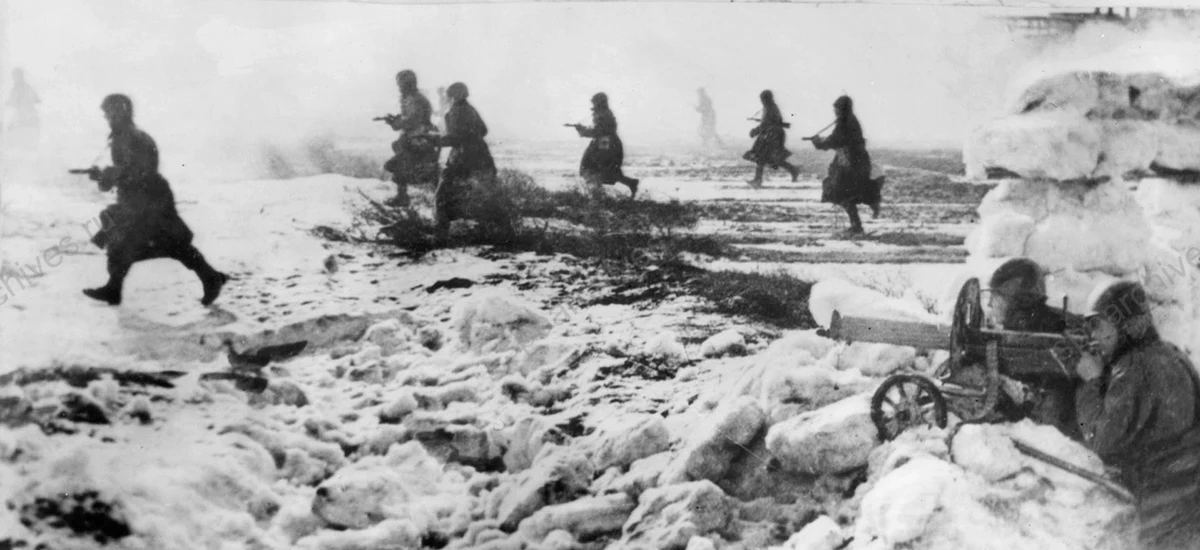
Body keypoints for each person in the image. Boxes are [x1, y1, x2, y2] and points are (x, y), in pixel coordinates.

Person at [1075, 281, 1200, 550]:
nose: (1092, 338)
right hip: (1189, 497)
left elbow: (1100, 440)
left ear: (1127, 327)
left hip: (1162, 508)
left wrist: (1090, 384)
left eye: (1098, 326)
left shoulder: (1132, 368)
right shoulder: (1172, 354)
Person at [80, 94, 228, 306]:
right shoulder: (122, 137)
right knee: (129, 244)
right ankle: (114, 288)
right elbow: (121, 177)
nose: (107, 118)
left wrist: (111, 174)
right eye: (106, 114)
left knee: (169, 244)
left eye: (110, 113)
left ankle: (211, 277)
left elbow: (143, 172)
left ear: (121, 112)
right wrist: (103, 177)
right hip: (136, 200)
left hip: (149, 200)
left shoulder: (135, 137)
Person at [986, 258, 1083, 438]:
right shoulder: (1045, 322)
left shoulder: (1030, 335)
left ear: (1014, 300)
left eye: (995, 296)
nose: (989, 304)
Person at [811, 95, 882, 235]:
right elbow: (837, 140)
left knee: (841, 193)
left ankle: (857, 226)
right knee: (850, 192)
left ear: (842, 109)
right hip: (854, 163)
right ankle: (869, 209)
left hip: (850, 165)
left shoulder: (844, 123)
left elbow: (834, 141)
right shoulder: (849, 120)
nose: (835, 112)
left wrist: (818, 143)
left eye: (836, 109)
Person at [435, 82, 496, 241]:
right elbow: (483, 130)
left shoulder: (455, 112)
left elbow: (455, 138)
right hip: (482, 158)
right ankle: (492, 234)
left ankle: (440, 236)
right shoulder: (471, 110)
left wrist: (436, 141)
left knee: (442, 197)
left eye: (448, 96)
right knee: (484, 197)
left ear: (453, 96)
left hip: (462, 159)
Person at [381, 70, 440, 207]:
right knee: (400, 159)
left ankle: (402, 197)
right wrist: (396, 120)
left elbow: (411, 121)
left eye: (401, 84)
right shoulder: (413, 98)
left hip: (420, 139)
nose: (399, 87)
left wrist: (394, 122)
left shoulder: (415, 99)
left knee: (399, 163)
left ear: (407, 84)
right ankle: (403, 195)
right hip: (417, 138)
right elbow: (409, 119)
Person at [571, 92, 639, 198]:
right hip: (609, 144)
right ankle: (630, 184)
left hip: (604, 145)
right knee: (607, 171)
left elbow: (598, 131)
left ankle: (597, 196)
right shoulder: (606, 114)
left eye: (594, 102)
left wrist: (581, 130)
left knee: (591, 169)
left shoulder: (602, 115)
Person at [743, 90, 800, 188]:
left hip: (772, 135)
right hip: (772, 134)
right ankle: (793, 170)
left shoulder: (770, 108)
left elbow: (765, 124)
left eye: (763, 99)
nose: (762, 101)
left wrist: (755, 131)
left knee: (763, 157)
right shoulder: (770, 107)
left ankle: (758, 180)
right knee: (770, 158)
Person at [5, 68, 41, 150]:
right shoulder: (17, 87)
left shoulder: (25, 87)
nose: (14, 78)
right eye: (14, 76)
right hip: (22, 115)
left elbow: (36, 99)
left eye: (16, 76)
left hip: (26, 114)